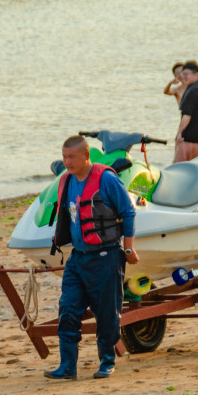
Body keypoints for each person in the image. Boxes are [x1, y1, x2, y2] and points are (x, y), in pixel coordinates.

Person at [45, 135, 139, 380]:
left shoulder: (106, 179)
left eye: (72, 157)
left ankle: (107, 362)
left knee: (107, 313)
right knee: (67, 309)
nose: (67, 162)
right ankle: (67, 367)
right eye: (64, 157)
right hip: (78, 259)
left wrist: (128, 248)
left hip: (106, 256)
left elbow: (128, 212)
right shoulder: (66, 181)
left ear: (86, 156)